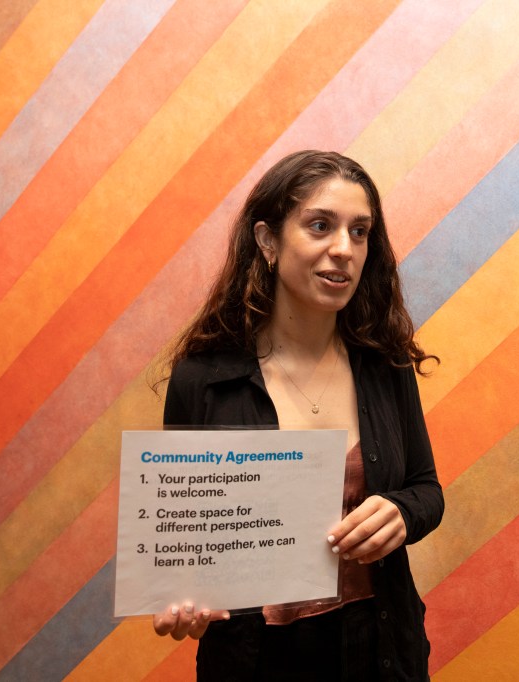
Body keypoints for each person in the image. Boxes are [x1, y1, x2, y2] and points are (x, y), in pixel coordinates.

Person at [152, 150, 444, 680]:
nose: (344, 249)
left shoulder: (385, 363)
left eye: (360, 232)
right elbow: (185, 545)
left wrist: (402, 511)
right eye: (320, 226)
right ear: (268, 241)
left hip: (382, 653)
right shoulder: (203, 379)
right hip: (255, 662)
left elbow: (427, 490)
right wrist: (182, 596)